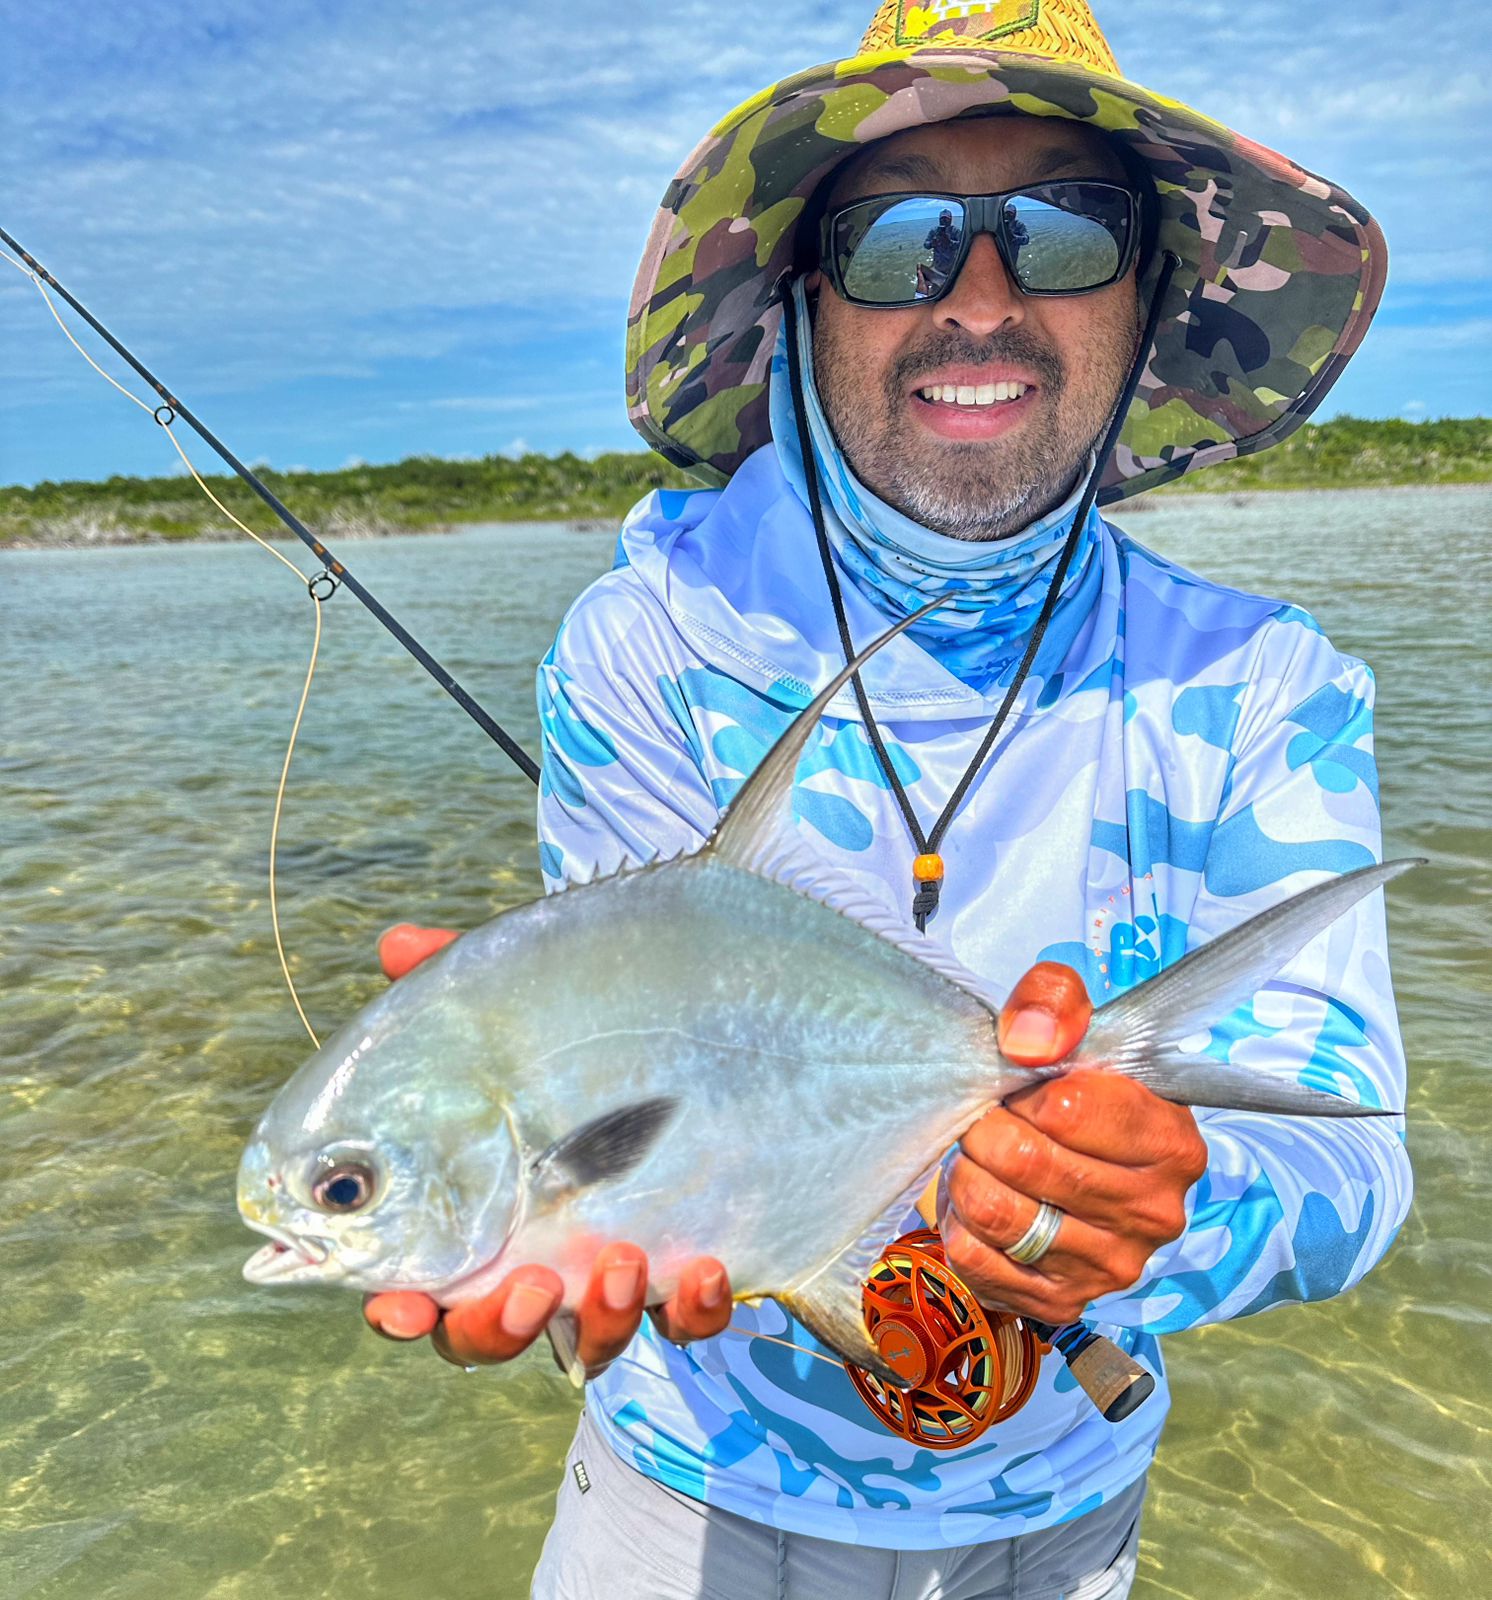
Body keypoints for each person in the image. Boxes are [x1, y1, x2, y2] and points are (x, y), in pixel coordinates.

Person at [366, 3, 1411, 1595]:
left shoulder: (1270, 687)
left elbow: (1354, 1166)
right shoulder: (649, 643)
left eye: (1063, 236)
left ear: (1151, 297)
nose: (980, 300)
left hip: (1063, 1511)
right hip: (681, 1507)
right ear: (797, 300)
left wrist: (1157, 1206)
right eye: (896, 240)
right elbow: (638, 1134)